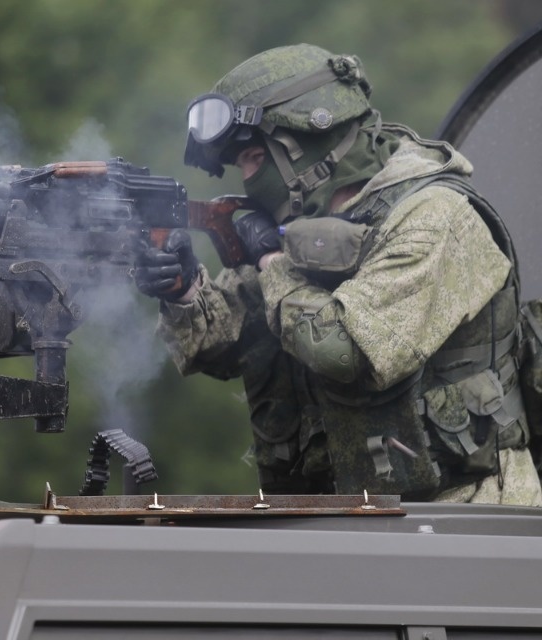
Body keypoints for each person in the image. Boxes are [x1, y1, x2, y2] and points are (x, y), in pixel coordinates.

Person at [135, 43, 542, 504]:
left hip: (467, 516)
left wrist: (271, 262)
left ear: (304, 145)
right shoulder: (301, 227)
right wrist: (182, 287)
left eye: (251, 159)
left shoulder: (436, 217)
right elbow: (227, 343)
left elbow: (348, 350)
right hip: (345, 517)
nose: (246, 179)